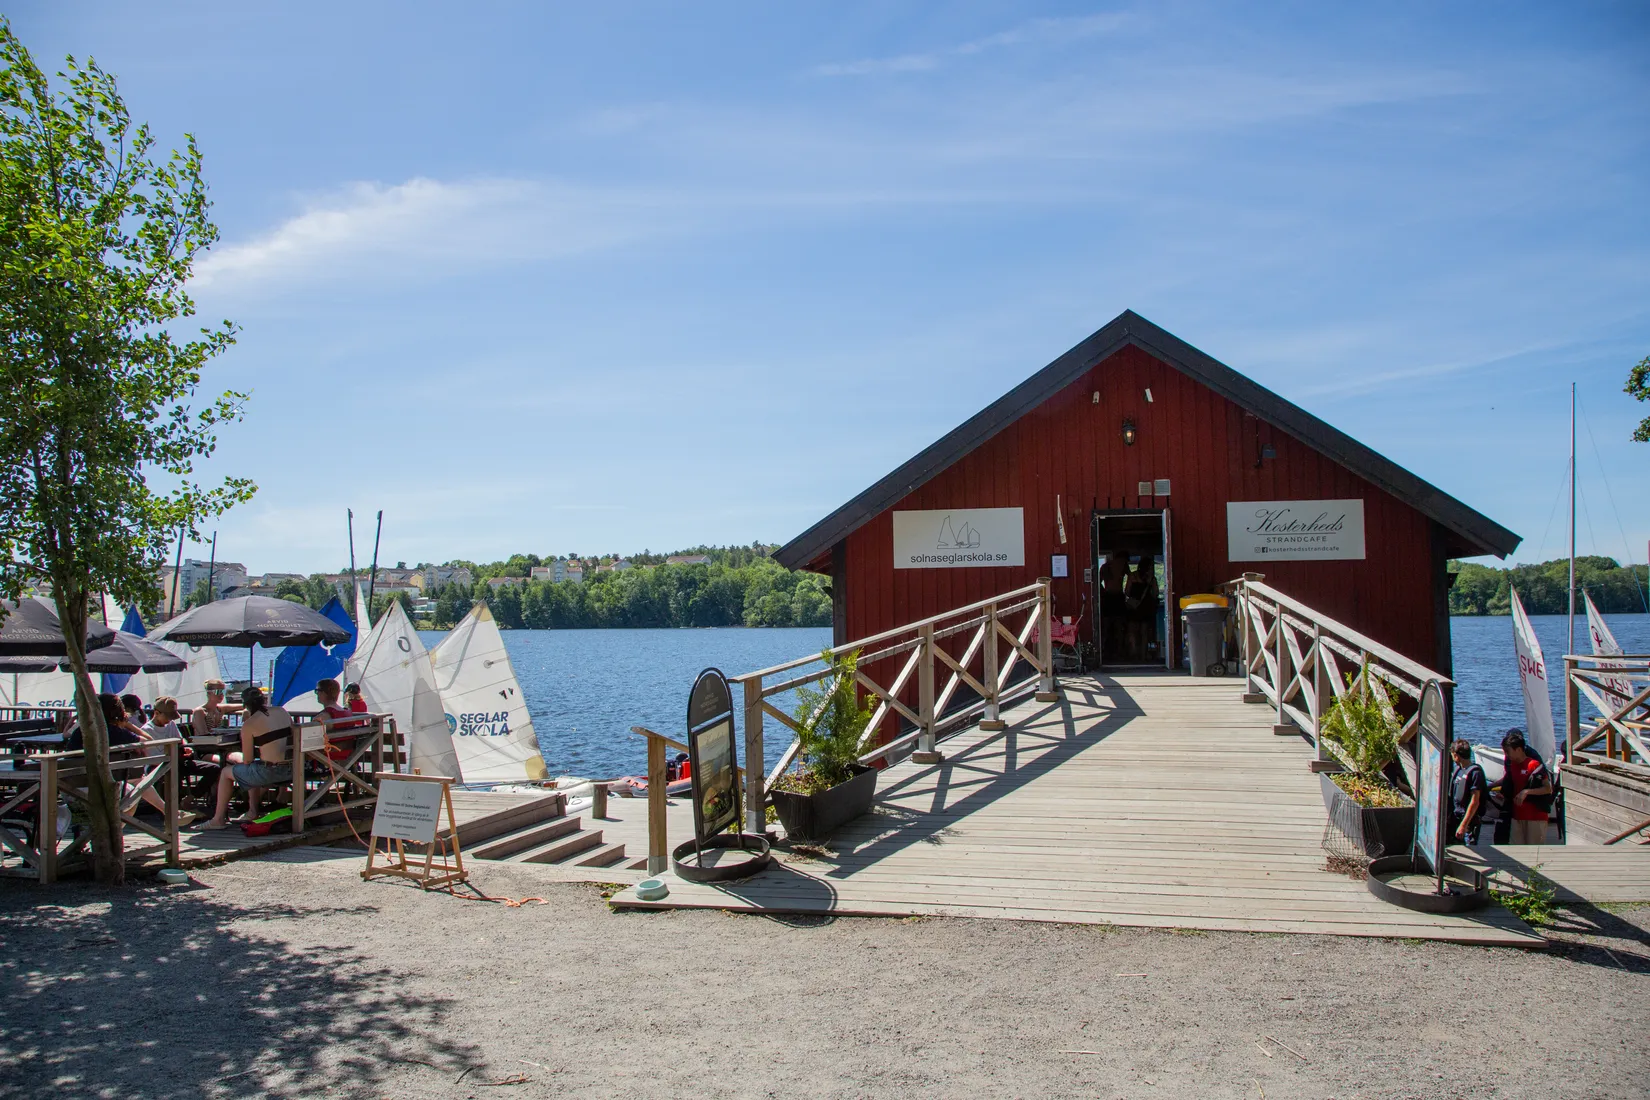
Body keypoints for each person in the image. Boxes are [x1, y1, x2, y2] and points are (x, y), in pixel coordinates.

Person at [200, 687, 293, 830]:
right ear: (264, 700)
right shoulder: (281, 711)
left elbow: (248, 759)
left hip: (271, 772)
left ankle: (219, 819)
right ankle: (251, 811)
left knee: (226, 772)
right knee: (254, 768)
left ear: (246, 705)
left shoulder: (249, 724)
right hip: (293, 768)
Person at [1497, 729, 1553, 845]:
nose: (1506, 755)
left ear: (1518, 749)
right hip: (1517, 815)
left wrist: (1527, 792)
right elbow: (1510, 783)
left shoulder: (1534, 764)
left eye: (1508, 751)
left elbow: (1547, 788)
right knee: (1516, 849)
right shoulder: (1512, 765)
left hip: (1535, 816)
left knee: (1534, 851)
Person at [315, 678, 366, 763]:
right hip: (347, 759)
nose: (316, 694)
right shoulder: (348, 713)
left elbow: (308, 743)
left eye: (317, 691)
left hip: (326, 761)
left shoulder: (323, 717)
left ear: (323, 693)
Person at [1449, 739, 1488, 846]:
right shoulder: (1458, 770)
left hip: (1469, 822)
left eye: (1452, 755)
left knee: (1470, 848)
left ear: (1456, 755)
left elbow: (1475, 802)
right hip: (1456, 817)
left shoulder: (1475, 773)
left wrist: (1464, 825)